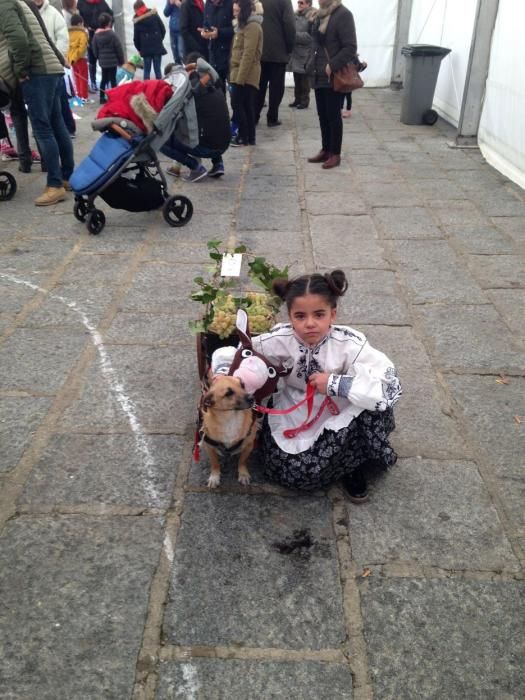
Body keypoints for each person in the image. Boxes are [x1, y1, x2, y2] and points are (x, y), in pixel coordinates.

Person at [251, 270, 402, 501]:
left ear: (333, 314)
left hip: (340, 407)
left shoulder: (350, 343)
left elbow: (388, 385)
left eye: (319, 314)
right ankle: (337, 462)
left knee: (374, 407)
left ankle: (352, 465)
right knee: (295, 472)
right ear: (289, 316)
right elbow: (244, 356)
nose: (309, 324)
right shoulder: (277, 339)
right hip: (295, 406)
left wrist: (335, 383)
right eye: (300, 316)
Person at [1, 0, 74, 204]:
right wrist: (60, 60)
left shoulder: (4, 4)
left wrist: (21, 70)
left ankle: (55, 185)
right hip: (50, 68)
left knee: (43, 129)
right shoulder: (21, 3)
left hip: (36, 71)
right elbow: (44, 36)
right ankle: (67, 177)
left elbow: (18, 40)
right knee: (58, 125)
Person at [160, 59, 230, 181]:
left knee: (162, 141)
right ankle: (218, 164)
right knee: (210, 122)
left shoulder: (188, 92)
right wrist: (191, 65)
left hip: (207, 148)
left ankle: (195, 167)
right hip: (224, 145)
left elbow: (172, 123)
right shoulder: (214, 84)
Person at [306, 0, 356, 169]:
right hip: (318, 73)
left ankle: (335, 153)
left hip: (333, 74)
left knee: (333, 115)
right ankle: (326, 149)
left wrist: (332, 65)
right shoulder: (319, 14)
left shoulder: (343, 14)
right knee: (322, 115)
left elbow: (350, 47)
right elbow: (315, 42)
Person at [33, 0, 76, 137]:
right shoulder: (25, 13)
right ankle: (46, 129)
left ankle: (69, 127)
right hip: (37, 68)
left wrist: (57, 58)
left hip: (54, 65)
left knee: (61, 99)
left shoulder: (53, 13)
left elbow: (63, 37)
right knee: (42, 101)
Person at [255, 0, 295, 128]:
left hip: (259, 48)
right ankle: (272, 117)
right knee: (276, 88)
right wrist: (289, 47)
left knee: (258, 86)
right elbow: (289, 24)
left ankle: (254, 116)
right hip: (278, 50)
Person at [228, 0, 263, 147]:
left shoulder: (252, 27)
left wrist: (239, 79)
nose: (234, 14)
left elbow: (248, 54)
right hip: (239, 72)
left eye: (237, 11)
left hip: (246, 74)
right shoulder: (243, 26)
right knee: (246, 105)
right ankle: (249, 137)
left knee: (239, 104)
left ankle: (244, 136)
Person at [77, 0, 113, 93]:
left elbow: (111, 15)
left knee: (104, 58)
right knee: (92, 59)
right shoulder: (81, 3)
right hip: (90, 34)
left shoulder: (102, 2)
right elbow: (78, 17)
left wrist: (108, 26)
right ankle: (93, 81)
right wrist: (84, 27)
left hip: (102, 34)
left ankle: (106, 81)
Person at [199, 0, 234, 87]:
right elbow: (206, 23)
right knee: (218, 88)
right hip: (214, 53)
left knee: (233, 90)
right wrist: (205, 31)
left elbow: (237, 29)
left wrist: (219, 33)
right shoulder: (208, 4)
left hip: (229, 54)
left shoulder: (231, 3)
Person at [92, 12, 124, 104]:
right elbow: (118, 48)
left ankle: (102, 98)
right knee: (113, 79)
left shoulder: (96, 35)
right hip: (113, 62)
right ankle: (114, 97)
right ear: (108, 23)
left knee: (104, 79)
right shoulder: (112, 34)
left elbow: (94, 48)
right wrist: (121, 61)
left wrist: (98, 57)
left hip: (103, 62)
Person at [288, 0, 313, 109]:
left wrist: (294, 35)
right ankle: (297, 99)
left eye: (302, 3)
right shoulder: (294, 15)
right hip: (295, 53)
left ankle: (304, 101)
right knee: (296, 77)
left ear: (308, 4)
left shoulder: (312, 17)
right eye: (298, 2)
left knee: (304, 80)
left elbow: (310, 37)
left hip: (305, 53)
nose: (299, 5)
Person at [133, 0, 167, 80]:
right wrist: (158, 40)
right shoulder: (154, 14)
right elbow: (163, 29)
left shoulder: (137, 20)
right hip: (157, 47)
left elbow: (136, 38)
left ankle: (146, 90)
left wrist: (139, 48)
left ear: (136, 9)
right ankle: (160, 89)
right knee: (158, 71)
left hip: (146, 49)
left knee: (146, 71)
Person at [67, 13, 89, 99]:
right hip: (81, 58)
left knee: (77, 77)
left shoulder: (68, 33)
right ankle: (84, 96)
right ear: (80, 24)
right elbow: (82, 47)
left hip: (72, 59)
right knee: (83, 77)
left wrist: (72, 58)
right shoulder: (82, 33)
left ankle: (79, 95)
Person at [164, 0, 184, 65]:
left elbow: (189, 11)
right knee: (175, 55)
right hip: (172, 30)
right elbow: (166, 13)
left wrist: (180, 4)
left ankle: (187, 72)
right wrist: (170, 4)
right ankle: (179, 72)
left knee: (182, 54)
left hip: (182, 30)